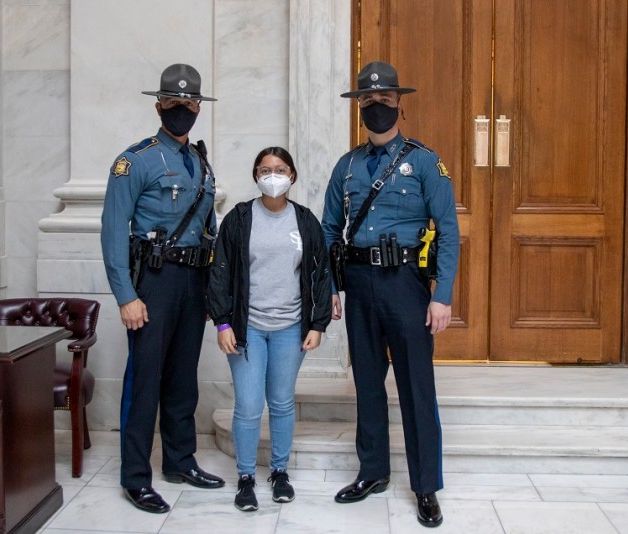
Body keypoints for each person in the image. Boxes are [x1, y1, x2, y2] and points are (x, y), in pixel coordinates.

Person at [321, 61, 460, 528]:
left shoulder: (424, 162)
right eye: (368, 99)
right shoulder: (347, 166)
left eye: (384, 99)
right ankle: (373, 471)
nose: (376, 106)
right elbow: (328, 230)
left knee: (416, 386)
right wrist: (332, 287)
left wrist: (442, 295)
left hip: (406, 285)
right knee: (367, 383)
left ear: (400, 103)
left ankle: (425, 486)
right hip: (359, 284)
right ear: (358, 106)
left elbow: (448, 230)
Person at [101, 63, 225, 514]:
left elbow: (209, 228)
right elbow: (113, 231)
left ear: (198, 108)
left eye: (189, 103)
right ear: (158, 106)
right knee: (144, 380)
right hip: (153, 282)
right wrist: (126, 296)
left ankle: (179, 461)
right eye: (173, 102)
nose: (181, 109)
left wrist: (211, 290)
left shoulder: (201, 162)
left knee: (183, 379)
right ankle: (136, 477)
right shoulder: (135, 161)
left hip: (193, 281)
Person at [207, 147, 332, 512]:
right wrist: (222, 322)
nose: (272, 175)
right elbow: (220, 272)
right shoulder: (239, 218)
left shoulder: (305, 221)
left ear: (292, 175)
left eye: (279, 169)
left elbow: (320, 273)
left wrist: (318, 324)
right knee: (248, 406)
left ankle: (279, 471)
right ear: (256, 176)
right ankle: (246, 476)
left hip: (290, 329)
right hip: (246, 329)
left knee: (280, 402)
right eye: (264, 170)